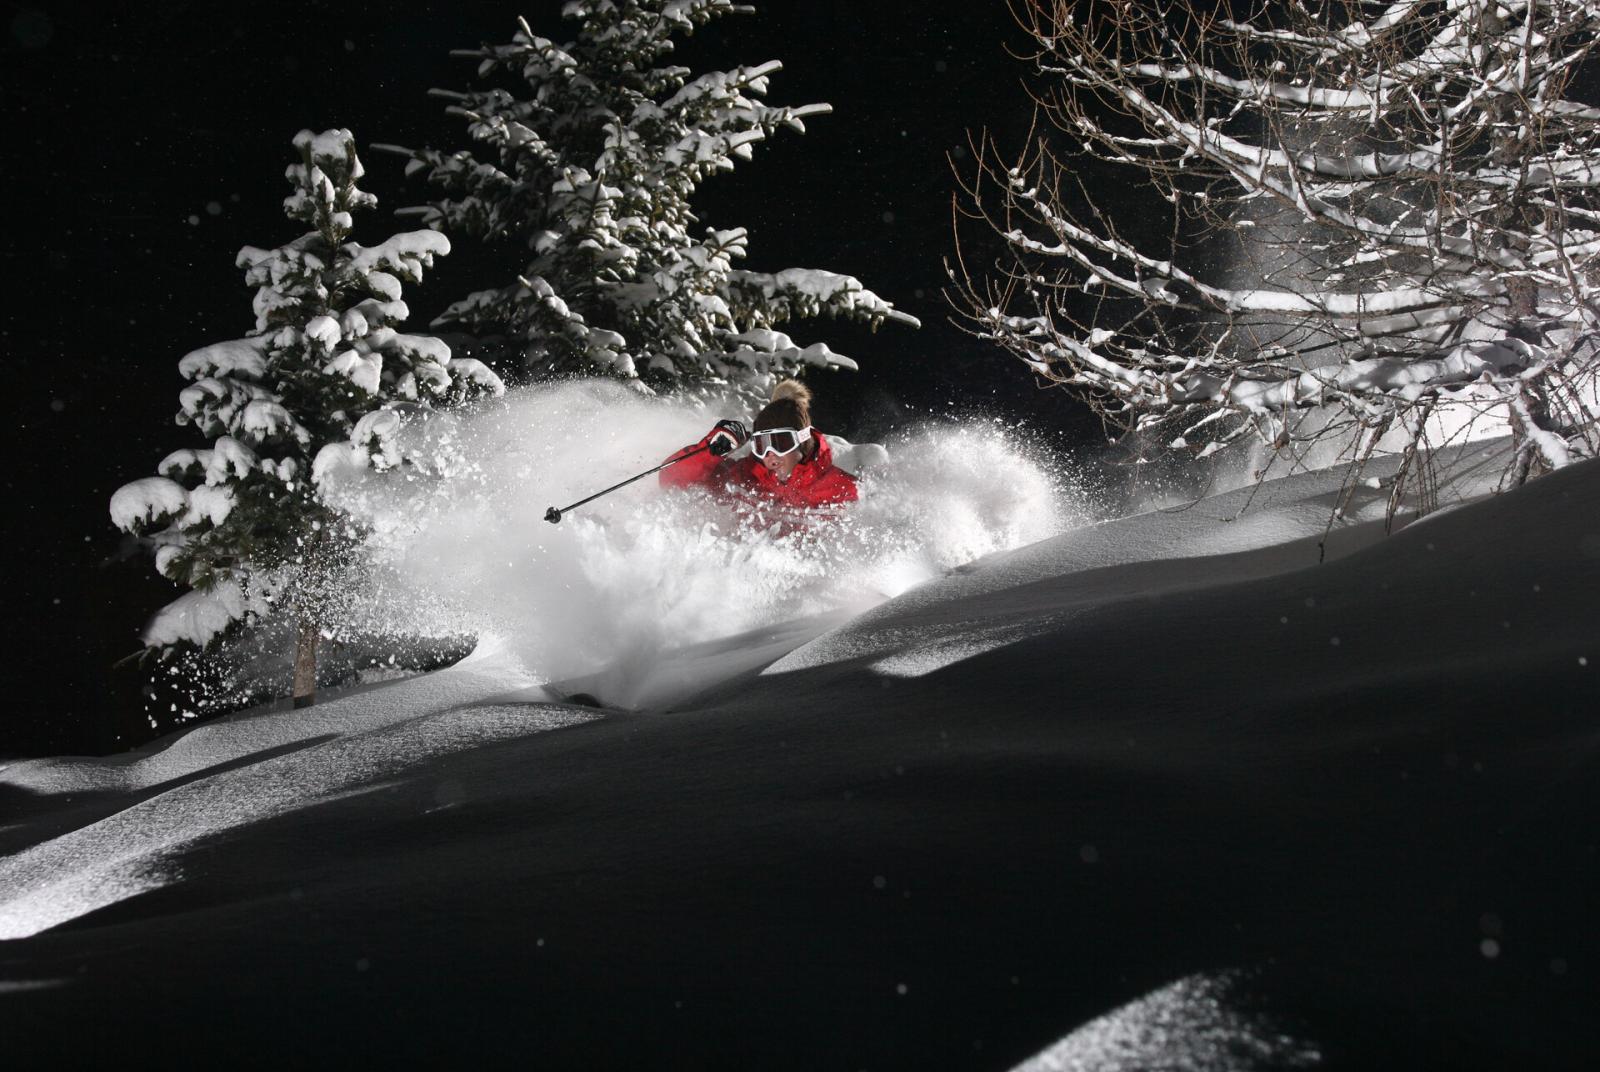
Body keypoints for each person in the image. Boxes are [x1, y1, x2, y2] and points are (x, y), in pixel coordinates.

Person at [659, 379, 859, 510]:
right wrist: (709, 452)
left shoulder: (844, 489)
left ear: (802, 441)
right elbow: (672, 483)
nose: (770, 455)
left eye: (780, 443)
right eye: (762, 445)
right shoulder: (745, 478)